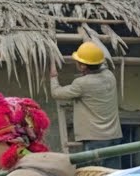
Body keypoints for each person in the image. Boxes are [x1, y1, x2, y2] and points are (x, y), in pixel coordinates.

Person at [49, 41, 123, 169]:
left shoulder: (82, 84)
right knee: (111, 174)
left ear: (83, 66)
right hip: (114, 136)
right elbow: (100, 65)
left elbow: (56, 93)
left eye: (78, 61)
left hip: (95, 140)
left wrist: (53, 76)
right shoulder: (110, 76)